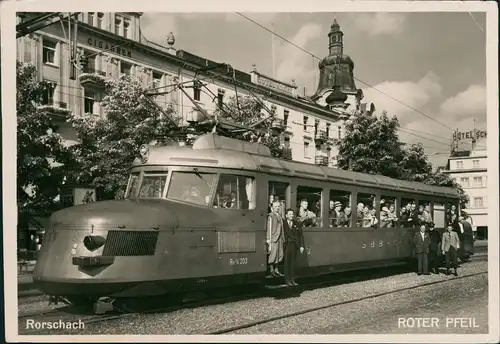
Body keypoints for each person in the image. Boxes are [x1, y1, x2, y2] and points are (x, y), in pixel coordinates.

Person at [283, 208, 305, 287]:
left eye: (292, 214)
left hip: (294, 245)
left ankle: (292, 279)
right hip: (286, 245)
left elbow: (300, 235)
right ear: (286, 215)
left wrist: (301, 246)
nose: (291, 216)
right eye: (290, 214)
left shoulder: (297, 223)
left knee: (293, 263)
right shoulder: (283, 223)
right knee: (287, 263)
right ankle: (287, 279)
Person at [266, 200, 284, 277]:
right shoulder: (271, 216)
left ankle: (276, 270)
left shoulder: (279, 216)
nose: (277, 208)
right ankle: (271, 271)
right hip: (273, 238)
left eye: (278, 206)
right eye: (276, 206)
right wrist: (269, 240)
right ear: (272, 207)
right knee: (273, 255)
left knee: (279, 254)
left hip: (279, 238)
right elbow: (269, 228)